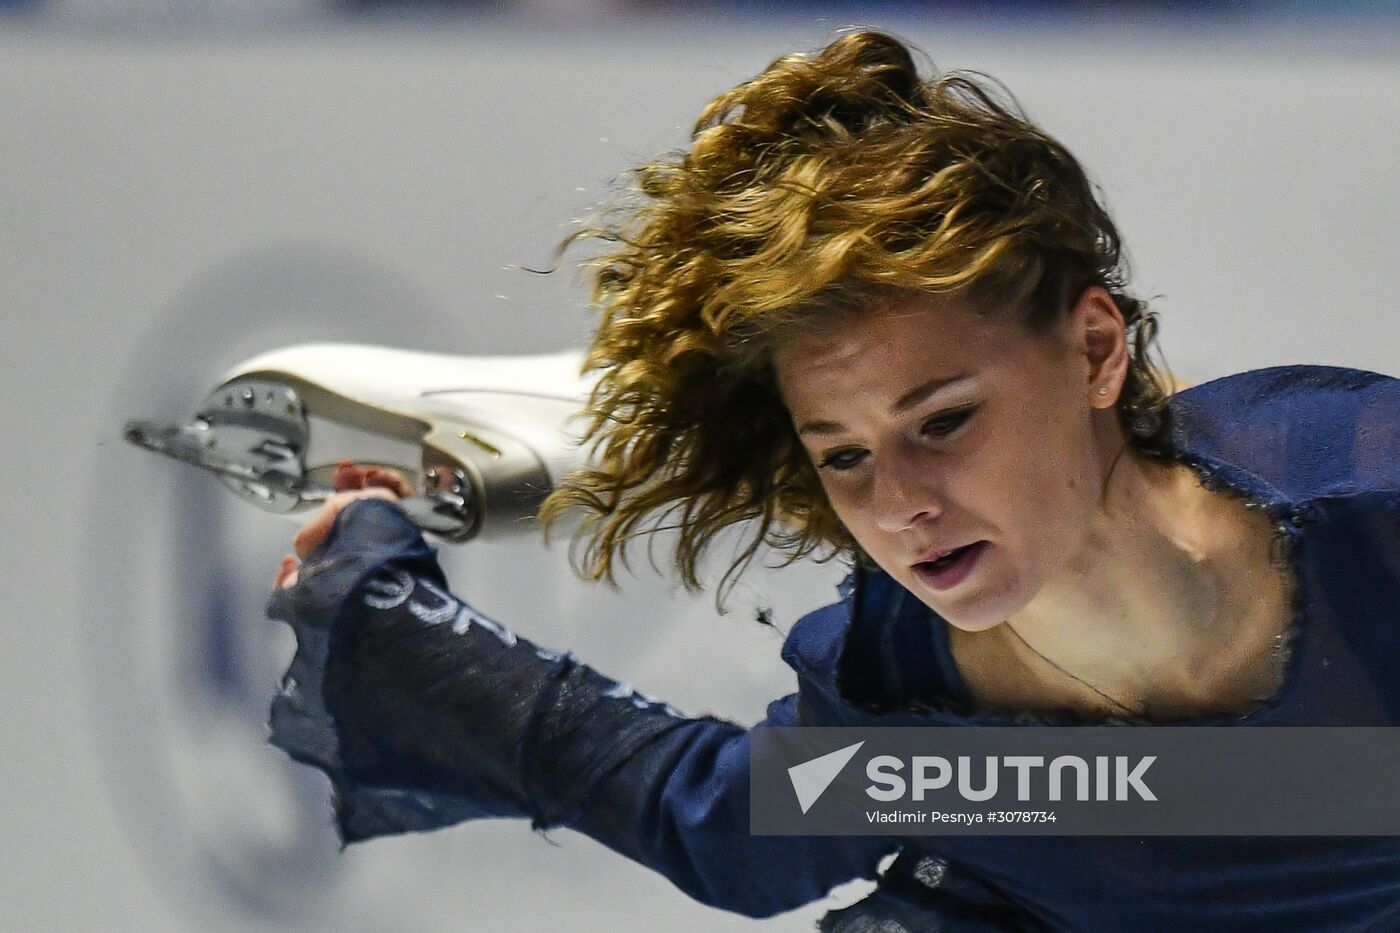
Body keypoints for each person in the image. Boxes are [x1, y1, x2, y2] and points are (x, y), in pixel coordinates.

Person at [266, 31, 1400, 931]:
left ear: (1096, 351)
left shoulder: (1368, 503)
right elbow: (724, 829)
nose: (899, 506)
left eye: (943, 421)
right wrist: (383, 612)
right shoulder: (912, 694)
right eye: (842, 454)